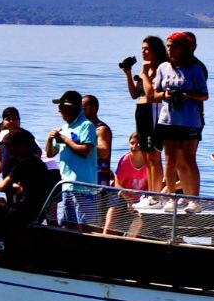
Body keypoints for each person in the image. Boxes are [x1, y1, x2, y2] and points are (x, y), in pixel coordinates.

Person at [0, 122, 55, 265]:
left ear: (22, 146)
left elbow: (2, 187)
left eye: (11, 146)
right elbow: (28, 188)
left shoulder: (22, 164)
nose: (8, 149)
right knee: (0, 203)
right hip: (37, 211)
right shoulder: (37, 162)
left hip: (24, 213)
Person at [150, 31, 210, 196]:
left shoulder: (195, 69)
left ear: (182, 48)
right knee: (170, 160)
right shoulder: (163, 67)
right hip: (168, 120)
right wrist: (165, 95)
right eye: (168, 46)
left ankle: (194, 198)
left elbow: (204, 95)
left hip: (189, 120)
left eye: (173, 46)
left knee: (189, 159)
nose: (169, 49)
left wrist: (186, 95)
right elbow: (154, 95)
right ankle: (171, 197)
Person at [42, 90, 98, 228]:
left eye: (61, 107)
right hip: (67, 185)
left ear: (70, 108)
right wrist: (50, 139)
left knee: (86, 226)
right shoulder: (65, 128)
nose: (59, 110)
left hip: (84, 187)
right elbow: (50, 154)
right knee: (68, 225)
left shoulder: (86, 125)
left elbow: (85, 151)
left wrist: (65, 140)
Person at [102, 133, 159, 235]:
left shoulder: (149, 163)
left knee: (140, 217)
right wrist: (128, 200)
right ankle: (105, 235)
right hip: (121, 194)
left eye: (138, 143)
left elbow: (150, 184)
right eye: (132, 143)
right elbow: (117, 184)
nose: (134, 146)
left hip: (139, 197)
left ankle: (129, 238)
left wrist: (141, 201)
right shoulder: (125, 161)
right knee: (113, 210)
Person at [120, 35, 167, 149]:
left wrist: (145, 73)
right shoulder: (145, 70)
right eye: (142, 48)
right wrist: (128, 74)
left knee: (152, 150)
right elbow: (134, 94)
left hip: (152, 109)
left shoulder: (160, 69)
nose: (143, 52)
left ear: (155, 51)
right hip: (140, 110)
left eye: (147, 49)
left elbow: (151, 94)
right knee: (143, 148)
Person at [81, 94, 114, 188]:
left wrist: (80, 146)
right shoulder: (83, 128)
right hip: (86, 177)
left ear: (93, 109)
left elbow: (104, 152)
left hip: (98, 180)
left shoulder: (101, 129)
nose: (80, 112)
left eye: (83, 109)